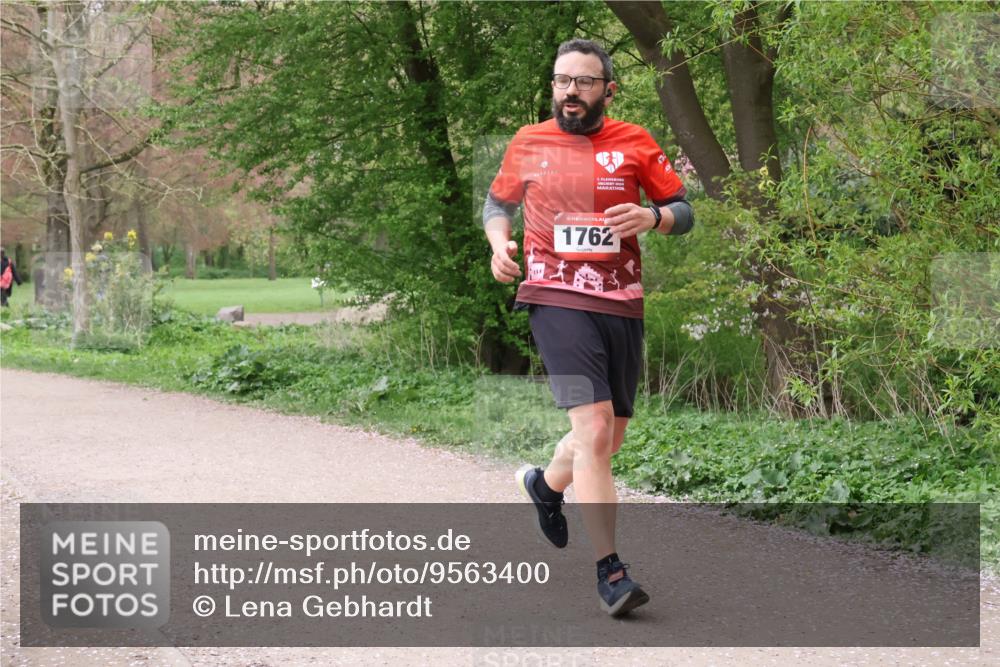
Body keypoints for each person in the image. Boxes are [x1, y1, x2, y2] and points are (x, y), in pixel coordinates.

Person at [483, 39, 694, 617]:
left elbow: (684, 210)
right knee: (594, 429)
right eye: (561, 81)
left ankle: (547, 487)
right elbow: (495, 204)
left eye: (583, 82)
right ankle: (612, 571)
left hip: (620, 302)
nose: (569, 92)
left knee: (609, 437)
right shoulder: (529, 142)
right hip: (553, 298)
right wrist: (500, 245)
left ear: (607, 90)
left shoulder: (634, 142)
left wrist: (653, 216)